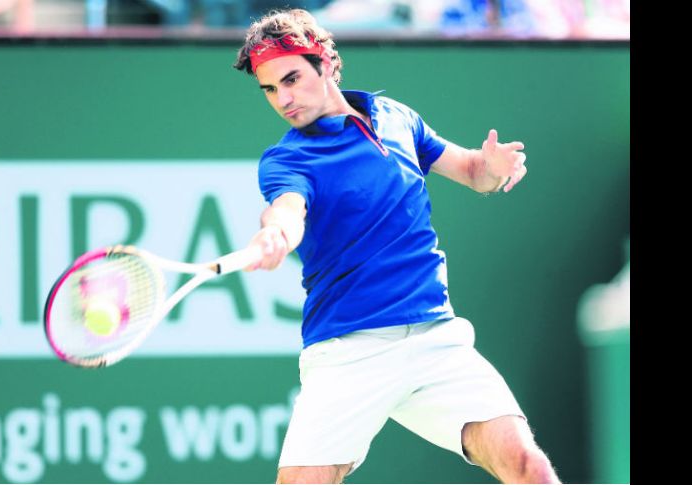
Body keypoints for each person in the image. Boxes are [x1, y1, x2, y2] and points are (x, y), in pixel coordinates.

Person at [233, 9, 560, 484]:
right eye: (269, 89)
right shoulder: (286, 159)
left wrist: (493, 167)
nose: (283, 99)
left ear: (325, 62)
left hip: (435, 339)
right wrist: (276, 232)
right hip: (348, 351)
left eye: (291, 79)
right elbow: (287, 209)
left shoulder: (396, 118)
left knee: (528, 467)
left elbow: (471, 170)